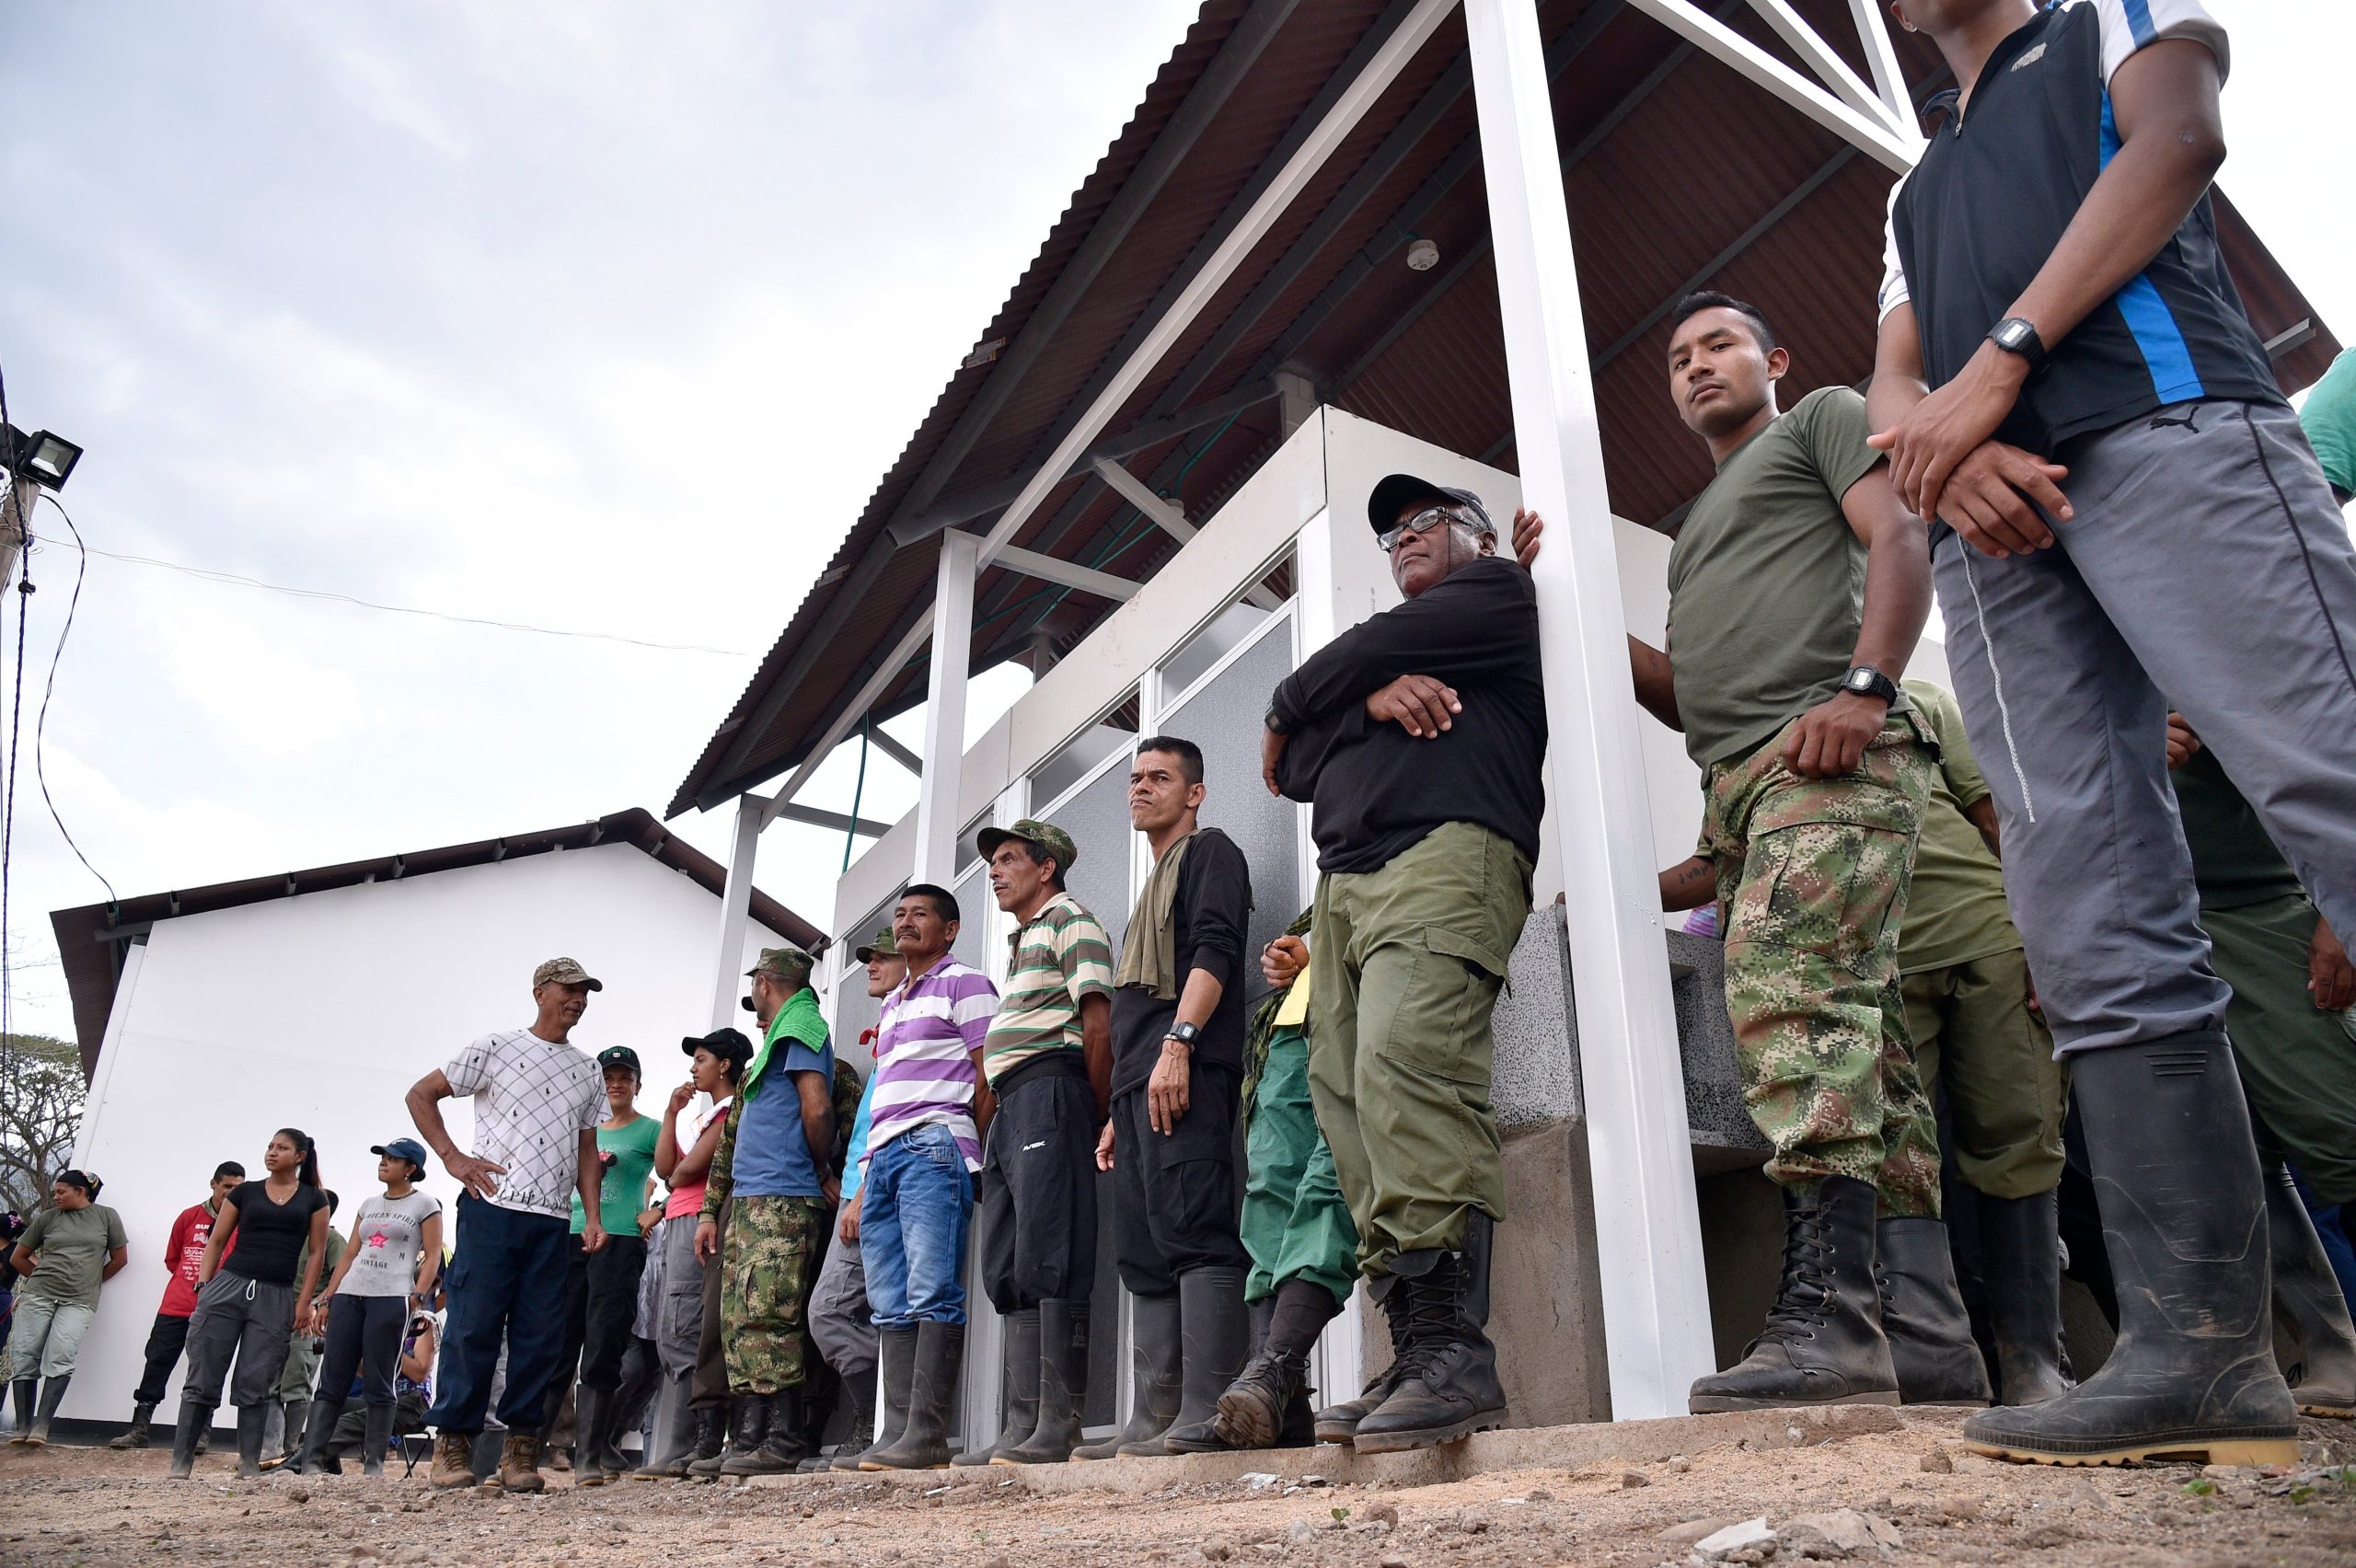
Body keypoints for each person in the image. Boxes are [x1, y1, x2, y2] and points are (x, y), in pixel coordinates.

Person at [1866, 0, 2355, 1468]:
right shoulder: (1911, 185)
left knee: (2333, 776)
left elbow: (2181, 141)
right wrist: (1941, 457)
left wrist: (2006, 357)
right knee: (2089, 910)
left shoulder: (2111, 19)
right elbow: (1891, 375)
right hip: (1994, 537)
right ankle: (2197, 1353)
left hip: (2167, 429)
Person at [1519, 294, 1981, 1415]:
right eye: (1675, 358)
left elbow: (1899, 535)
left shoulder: (1816, 419)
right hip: (1744, 786)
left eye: (1716, 346)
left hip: (1829, 750)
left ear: (1770, 360)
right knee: (1860, 1043)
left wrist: (1867, 688)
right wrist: (1557, 597)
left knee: (1792, 1002)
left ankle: (1829, 1322)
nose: (1693, 368)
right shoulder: (1694, 538)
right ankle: (1923, 1333)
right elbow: (1692, 703)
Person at [1262, 472, 1542, 1453]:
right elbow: (1287, 765)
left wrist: (1327, 689)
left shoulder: (1497, 597)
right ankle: (1419, 1345)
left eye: (1428, 520)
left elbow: (1305, 695)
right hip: (1345, 885)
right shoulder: (1400, 654)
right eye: (1392, 532)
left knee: (1405, 1066)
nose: (1406, 538)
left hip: (1447, 852)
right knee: (1348, 1099)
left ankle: (1457, 1351)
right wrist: (1369, 702)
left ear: (1477, 537)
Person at [2166, 714, 2356, 1418]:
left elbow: (2328, 751)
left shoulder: (2199, 626)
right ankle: (2333, 1345)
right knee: (2229, 1162)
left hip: (2269, 909)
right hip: (2155, 925)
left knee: (2338, 1122)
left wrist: (2340, 908)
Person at [1892, 679, 2068, 1408]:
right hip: (1880, 963)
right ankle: (1942, 1366)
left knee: (2019, 1130)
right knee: (1898, 1157)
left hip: (1987, 935)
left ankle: (2033, 1365)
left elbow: (1994, 813)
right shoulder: (1764, 717)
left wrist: (2045, 934)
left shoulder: (1919, 698)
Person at [1095, 737, 1253, 1456]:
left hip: (1184, 1068)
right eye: (1135, 778)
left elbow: (1216, 949)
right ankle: (1153, 1414)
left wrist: (1179, 1044)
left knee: (1194, 1225)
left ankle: (1206, 1408)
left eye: (1160, 778)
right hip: (1137, 1086)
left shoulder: (1210, 853)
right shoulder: (1151, 884)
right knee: (1143, 1246)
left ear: (1194, 794)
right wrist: (1115, 1107)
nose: (1141, 788)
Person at [407, 956, 609, 1492]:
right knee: (473, 1326)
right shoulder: (495, 1047)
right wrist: (452, 1157)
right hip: (492, 1211)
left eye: (585, 992)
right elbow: (420, 1094)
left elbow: (588, 1150)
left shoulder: (588, 1068)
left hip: (551, 1220)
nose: (579, 1000)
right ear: (540, 991)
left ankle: (522, 1449)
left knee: (540, 1337)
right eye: (569, 989)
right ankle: (453, 1444)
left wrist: (591, 1213)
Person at [972, 821, 1115, 1465]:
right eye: (992, 862)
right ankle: (1018, 1425)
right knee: (1009, 1260)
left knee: (1051, 1252)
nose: (996, 872)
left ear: (1047, 866)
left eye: (1007, 859)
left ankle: (1059, 1424)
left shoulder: (1069, 921)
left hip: (1052, 1092)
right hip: (1012, 1105)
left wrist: (1094, 1108)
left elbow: (1097, 1021)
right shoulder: (1025, 938)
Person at [1209, 913, 1360, 1452]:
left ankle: (1275, 1368)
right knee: (1270, 1189)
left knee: (1331, 1173)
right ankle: (1283, 1406)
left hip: (1360, 1005)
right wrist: (1297, 955)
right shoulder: (1331, 875)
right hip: (1290, 1028)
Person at [859, 888, 997, 1470]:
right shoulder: (893, 1001)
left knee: (931, 1288)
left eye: (920, 914)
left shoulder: (965, 982)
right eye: (899, 914)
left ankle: (928, 1434)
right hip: (883, 1156)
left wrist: (961, 1134)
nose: (905, 922)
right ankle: (896, 1434)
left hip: (932, 1146)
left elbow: (989, 1069)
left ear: (950, 929)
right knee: (889, 1300)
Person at [695, 945, 835, 1476]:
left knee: (770, 1316)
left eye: (754, 984)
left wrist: (816, 1166)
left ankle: (783, 1437)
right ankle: (749, 1436)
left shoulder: (801, 1020)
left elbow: (817, 1106)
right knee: (741, 1318)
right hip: (755, 1196)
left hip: (782, 1193)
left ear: (764, 983)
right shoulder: (780, 1032)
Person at [169, 1132, 331, 1478]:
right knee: (203, 1375)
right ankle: (180, 1465)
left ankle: (247, 1465)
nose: (272, 1153)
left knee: (256, 1380)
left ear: (300, 1155)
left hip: (276, 1295)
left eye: (282, 1148)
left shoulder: (314, 1200)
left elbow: (317, 1253)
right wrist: (204, 1285)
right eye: (270, 1147)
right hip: (227, 1287)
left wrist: (304, 1303)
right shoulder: (245, 1192)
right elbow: (217, 1240)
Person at [630, 1027, 747, 1479]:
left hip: (699, 1218)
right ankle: (680, 1444)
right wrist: (670, 1112)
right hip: (680, 1220)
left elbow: (682, 1175)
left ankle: (685, 1445)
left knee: (684, 1330)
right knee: (672, 1329)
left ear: (724, 1065)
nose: (692, 1068)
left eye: (701, 1059)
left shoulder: (728, 1113)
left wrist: (677, 1172)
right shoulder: (704, 1116)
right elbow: (665, 1169)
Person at [294, 1142, 442, 1477]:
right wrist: (328, 1298)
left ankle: (374, 1463)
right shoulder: (368, 1204)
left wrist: (417, 1296)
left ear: (411, 1168)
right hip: (350, 1295)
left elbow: (432, 1255)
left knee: (380, 1379)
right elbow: (348, 1257)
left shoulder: (425, 1204)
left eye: (393, 1159)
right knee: (333, 1377)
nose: (384, 1163)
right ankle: (312, 1460)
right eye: (382, 1158)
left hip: (391, 1296)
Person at [810, 928, 902, 1470]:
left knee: (842, 1312)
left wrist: (862, 1192)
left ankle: (880, 1426)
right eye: (866, 956)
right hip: (855, 1195)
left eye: (883, 956)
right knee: (839, 1313)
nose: (871, 964)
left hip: (875, 1195)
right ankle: (878, 1425)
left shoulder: (911, 1024)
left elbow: (898, 1121)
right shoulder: (887, 1030)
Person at [552, 1044, 660, 1485]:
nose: (615, 1084)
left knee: (603, 1345)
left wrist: (660, 1210)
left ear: (637, 1084)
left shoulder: (651, 1129)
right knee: (557, 1345)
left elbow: (694, 1169)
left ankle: (589, 1456)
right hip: (568, 1237)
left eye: (624, 1077)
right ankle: (530, 1450)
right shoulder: (582, 1130)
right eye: (607, 1077)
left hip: (619, 1242)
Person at [110, 1161, 243, 1449]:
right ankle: (139, 1428)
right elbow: (173, 1259)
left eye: (238, 1189)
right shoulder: (189, 1216)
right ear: (214, 1184)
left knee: (208, 1368)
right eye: (227, 1187)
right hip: (175, 1306)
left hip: (218, 1309)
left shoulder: (243, 1222)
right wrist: (192, 1282)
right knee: (157, 1362)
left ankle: (201, 1432)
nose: (231, 1193)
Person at [5, 1170, 127, 1447]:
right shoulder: (48, 1218)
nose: (56, 1196)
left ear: (81, 1191)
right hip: (39, 1295)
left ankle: (42, 1427)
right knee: (25, 1355)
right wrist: (38, 1277)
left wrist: (91, 1283)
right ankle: (23, 1427)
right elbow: (18, 1257)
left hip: (79, 1301)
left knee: (61, 1356)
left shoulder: (107, 1217)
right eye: (55, 1192)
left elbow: (120, 1259)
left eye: (62, 1191)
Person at [266, 1189, 343, 1467]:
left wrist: (319, 1304)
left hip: (307, 1326)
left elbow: (340, 1276)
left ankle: (291, 1449)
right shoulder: (294, 1237)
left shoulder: (332, 1240)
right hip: (277, 1319)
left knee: (296, 1386)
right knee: (268, 1385)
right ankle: (270, 1451)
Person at [311, 1309, 438, 1473]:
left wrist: (384, 1348)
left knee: (345, 1424)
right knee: (325, 1407)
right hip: (380, 1397)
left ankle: (303, 1457)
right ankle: (326, 1465)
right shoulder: (378, 1320)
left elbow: (419, 1373)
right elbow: (369, 1373)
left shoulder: (423, 1322)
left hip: (412, 1404)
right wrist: (348, 1351)